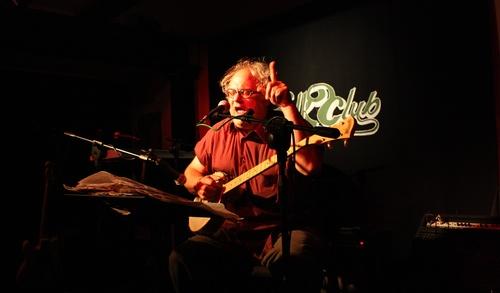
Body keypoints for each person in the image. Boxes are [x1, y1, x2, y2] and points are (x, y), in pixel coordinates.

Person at [169, 57, 326, 292]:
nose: (235, 100)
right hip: (231, 234)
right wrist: (200, 184)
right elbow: (191, 171)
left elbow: (310, 165)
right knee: (183, 256)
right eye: (231, 92)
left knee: (294, 256)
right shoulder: (218, 132)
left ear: (265, 95)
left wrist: (287, 106)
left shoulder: (284, 129)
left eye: (245, 92)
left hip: (280, 232)